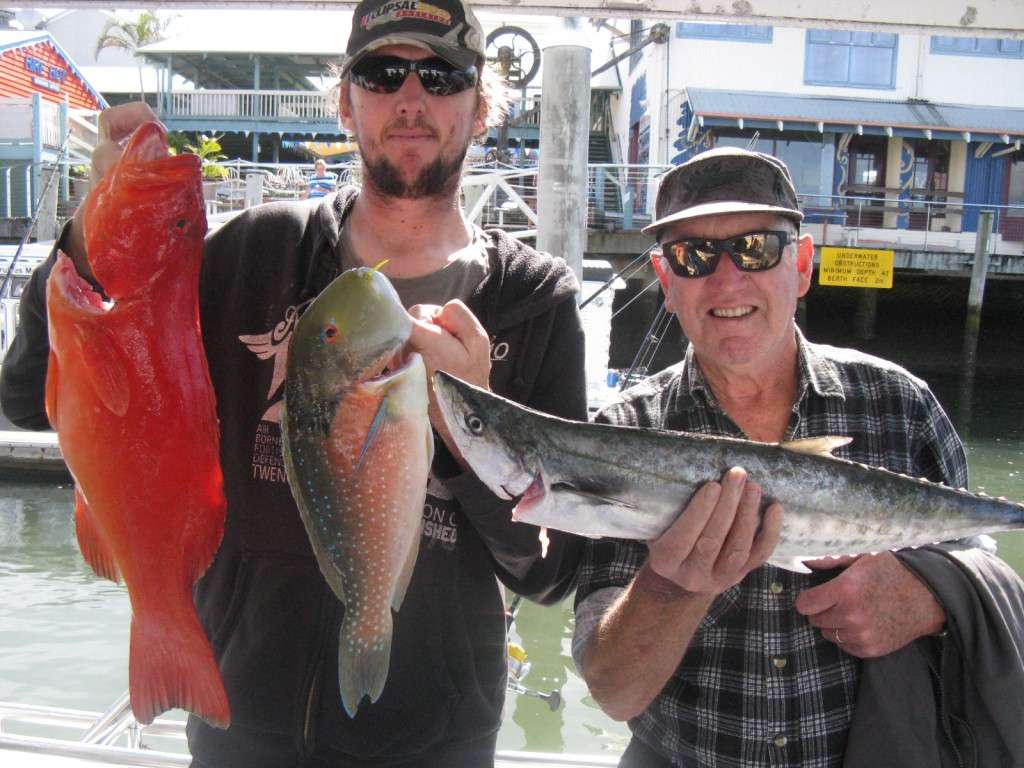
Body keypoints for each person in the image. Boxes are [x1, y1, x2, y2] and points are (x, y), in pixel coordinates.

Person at [0, 0, 587, 765]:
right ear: (346, 102)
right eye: (382, 73)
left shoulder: (537, 303)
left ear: (482, 105)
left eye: (443, 75)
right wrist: (88, 235)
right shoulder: (250, 254)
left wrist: (473, 430)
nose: (412, 99)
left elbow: (550, 568)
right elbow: (29, 397)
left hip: (435, 740)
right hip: (237, 722)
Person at [572, 147, 1024, 767]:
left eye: (756, 248)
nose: (727, 280)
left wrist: (931, 598)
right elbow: (612, 690)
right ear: (666, 281)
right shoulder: (622, 434)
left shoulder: (900, 404)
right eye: (693, 256)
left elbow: (980, 560)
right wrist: (669, 589)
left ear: (802, 264)